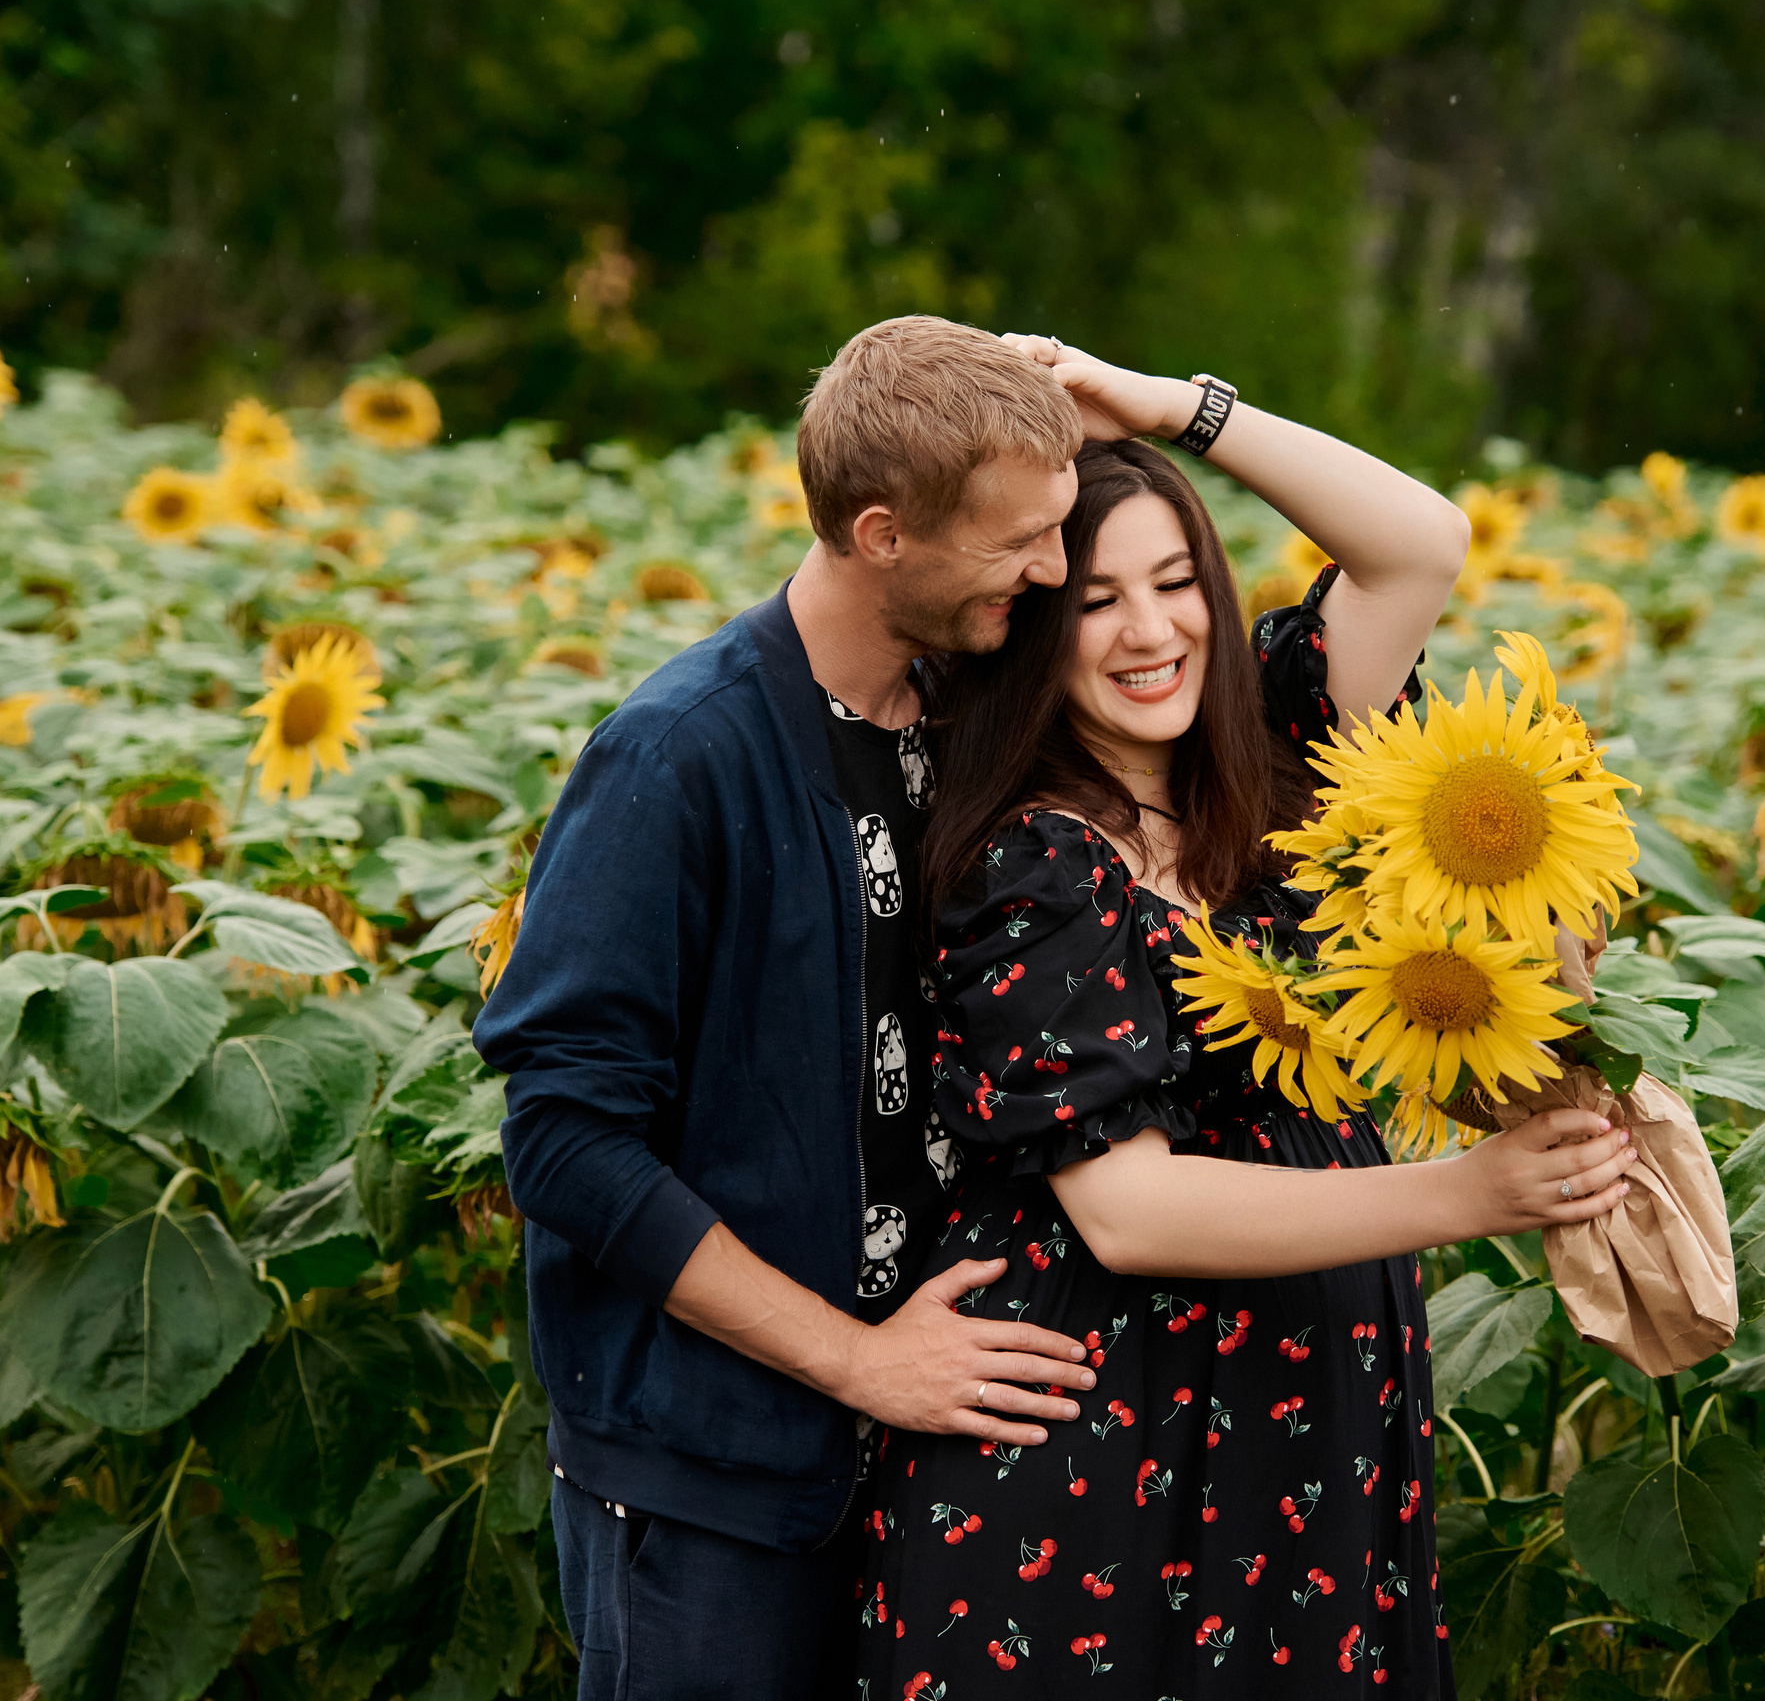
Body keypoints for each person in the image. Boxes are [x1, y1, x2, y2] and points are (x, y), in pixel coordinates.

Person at [854, 343, 1638, 1696]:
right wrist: (1470, 1192)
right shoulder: (1034, 860)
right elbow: (1130, 1211)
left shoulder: (1285, 754)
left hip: (1302, 1419)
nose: (1150, 632)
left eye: (1175, 584)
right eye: (1096, 600)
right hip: (1104, 1434)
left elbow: (1419, 545)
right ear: (1037, 623)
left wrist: (1169, 409)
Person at [475, 317, 1120, 1700]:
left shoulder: (975, 720)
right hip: (711, 1481)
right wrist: (861, 1363)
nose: (1055, 572)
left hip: (924, 1459)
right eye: (1021, 540)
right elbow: (567, 1149)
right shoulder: (675, 758)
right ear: (881, 533)